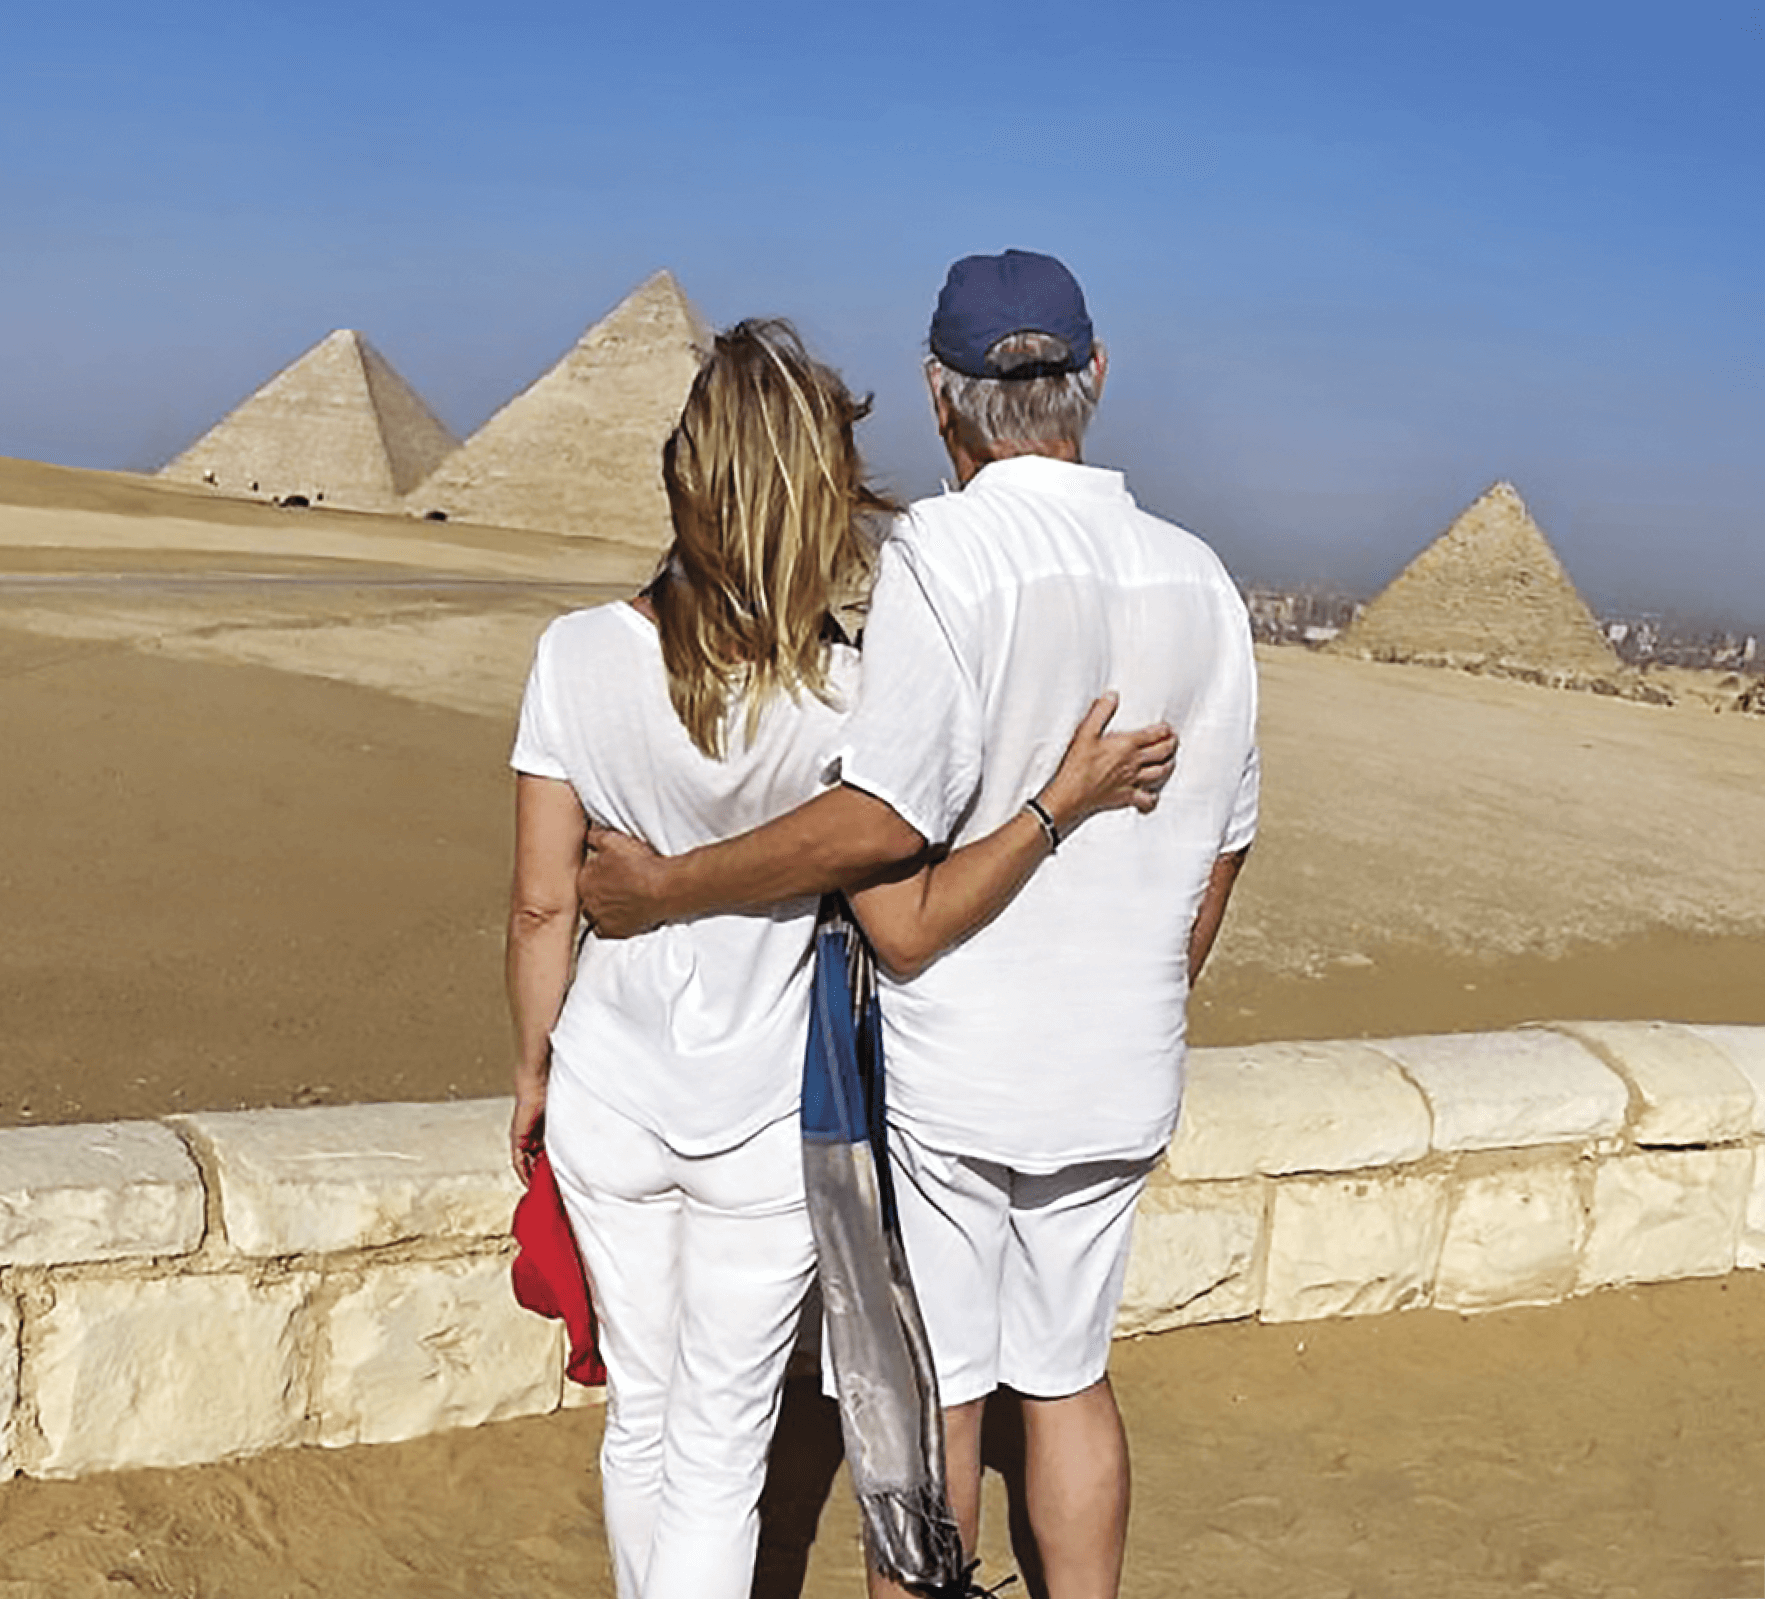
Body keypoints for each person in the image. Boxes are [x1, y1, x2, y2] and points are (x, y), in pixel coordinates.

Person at [576, 252, 1261, 1599]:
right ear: (1096, 378)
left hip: (955, 1071)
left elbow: (881, 823)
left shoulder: (940, 561)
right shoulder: (1206, 584)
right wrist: (1141, 996)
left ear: (941, 401)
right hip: (1122, 1065)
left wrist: (670, 884)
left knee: (931, 1396)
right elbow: (1220, 855)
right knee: (1068, 1375)